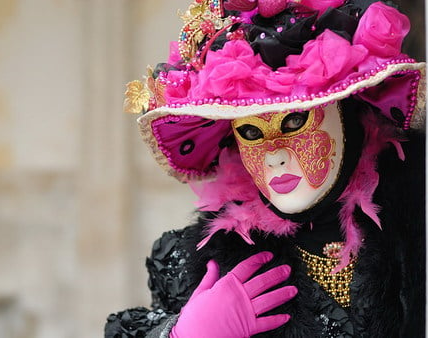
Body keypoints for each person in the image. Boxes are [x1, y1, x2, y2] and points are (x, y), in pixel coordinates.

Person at [105, 0, 426, 336]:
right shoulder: (198, 266)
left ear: (348, 116)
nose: (275, 156)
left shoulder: (419, 223)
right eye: (251, 132)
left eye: (295, 121)